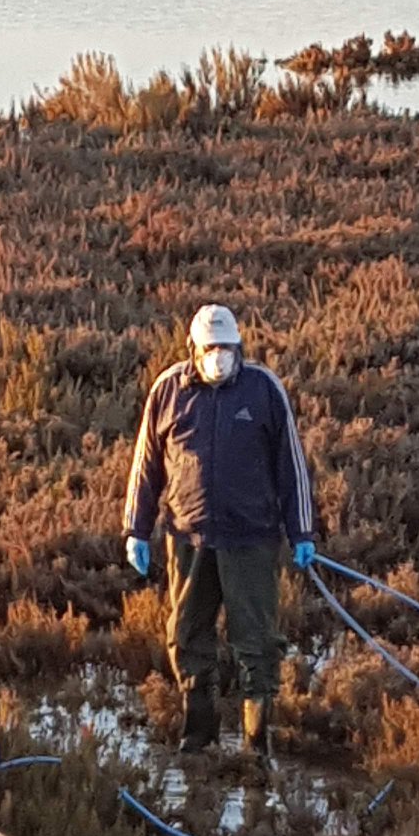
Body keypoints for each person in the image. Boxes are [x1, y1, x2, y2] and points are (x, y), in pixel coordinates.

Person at [122, 303, 316, 756]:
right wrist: (137, 528)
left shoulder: (263, 389)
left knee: (257, 641)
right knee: (188, 634)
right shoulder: (168, 390)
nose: (219, 357)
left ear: (239, 347)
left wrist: (302, 532)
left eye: (227, 349)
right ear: (194, 348)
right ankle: (199, 734)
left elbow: (291, 464)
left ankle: (256, 741)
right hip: (188, 537)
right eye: (211, 349)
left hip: (251, 539)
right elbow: (146, 464)